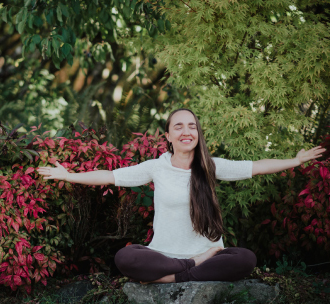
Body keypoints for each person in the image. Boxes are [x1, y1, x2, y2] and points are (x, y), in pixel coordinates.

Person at [37, 109, 325, 284]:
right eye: (179, 126)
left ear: (197, 133)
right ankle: (189, 268)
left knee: (245, 258)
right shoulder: (156, 167)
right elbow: (110, 176)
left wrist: (296, 161)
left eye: (192, 126)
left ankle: (172, 275)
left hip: (212, 254)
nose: (187, 131)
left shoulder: (211, 167)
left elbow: (256, 168)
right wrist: (68, 175)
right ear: (168, 136)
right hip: (165, 255)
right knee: (126, 256)